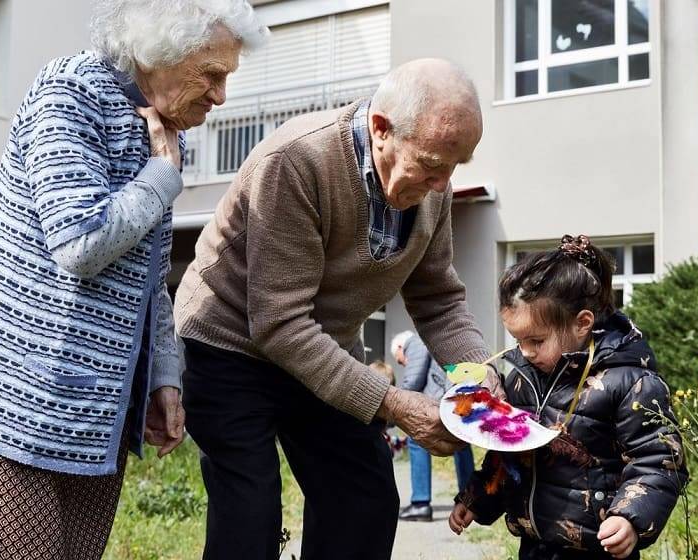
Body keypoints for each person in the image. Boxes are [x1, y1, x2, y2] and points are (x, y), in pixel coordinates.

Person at [174, 58, 504, 559]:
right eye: (434, 165)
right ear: (381, 129)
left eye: (455, 167)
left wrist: (474, 372)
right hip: (230, 345)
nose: (443, 184)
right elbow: (280, 324)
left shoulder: (434, 193)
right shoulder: (297, 161)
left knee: (364, 498)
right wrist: (394, 405)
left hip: (320, 347)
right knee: (249, 519)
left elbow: (437, 299)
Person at [0, 2, 265, 558]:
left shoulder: (161, 128)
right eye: (212, 74)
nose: (220, 96)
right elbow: (80, 242)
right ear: (162, 49)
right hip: (25, 416)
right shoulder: (71, 93)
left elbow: (151, 277)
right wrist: (163, 177)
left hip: (98, 423)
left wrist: (163, 376)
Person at [449, 235, 688, 560]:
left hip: (599, 546)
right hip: (535, 547)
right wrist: (477, 498)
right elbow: (510, 453)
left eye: (536, 340)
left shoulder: (631, 381)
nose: (525, 352)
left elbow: (659, 461)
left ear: (582, 324)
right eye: (518, 340)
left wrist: (629, 518)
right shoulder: (522, 377)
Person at [391, 330, 475, 522]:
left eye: (399, 360)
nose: (403, 363)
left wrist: (393, 409)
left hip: (440, 400)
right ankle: (470, 498)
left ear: (399, 347)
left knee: (416, 440)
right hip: (455, 394)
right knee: (461, 444)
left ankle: (420, 504)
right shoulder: (433, 339)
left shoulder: (415, 342)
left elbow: (413, 380)